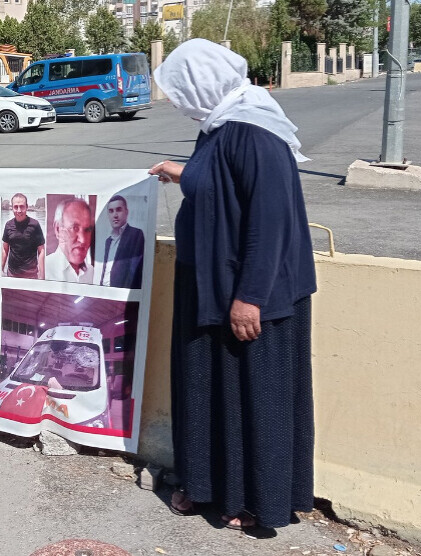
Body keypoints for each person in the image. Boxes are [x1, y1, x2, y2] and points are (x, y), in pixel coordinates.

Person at [148, 39, 317, 533]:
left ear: (202, 83)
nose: (175, 101)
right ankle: (211, 488)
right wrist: (182, 173)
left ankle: (255, 502)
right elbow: (223, 182)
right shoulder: (221, 125)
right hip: (212, 287)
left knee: (254, 399)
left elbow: (271, 221)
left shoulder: (253, 132)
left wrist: (250, 299)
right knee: (211, 393)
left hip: (249, 295)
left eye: (179, 90)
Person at [95, 195, 145, 288]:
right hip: (104, 289)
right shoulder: (108, 241)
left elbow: (134, 271)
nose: (115, 215)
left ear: (126, 212)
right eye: (111, 211)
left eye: (118, 210)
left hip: (119, 291)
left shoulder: (136, 234)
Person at [45, 198, 94, 283]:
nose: (83, 240)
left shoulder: (92, 272)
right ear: (58, 229)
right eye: (75, 228)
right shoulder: (43, 270)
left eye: (87, 230)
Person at [1, 193, 45, 279]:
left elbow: (41, 251)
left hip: (31, 275)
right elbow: (5, 249)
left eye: (22, 206)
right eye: (16, 207)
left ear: (26, 207)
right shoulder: (8, 225)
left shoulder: (35, 225)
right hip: (11, 274)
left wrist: (42, 275)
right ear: (12, 207)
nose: (19, 210)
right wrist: (1, 269)